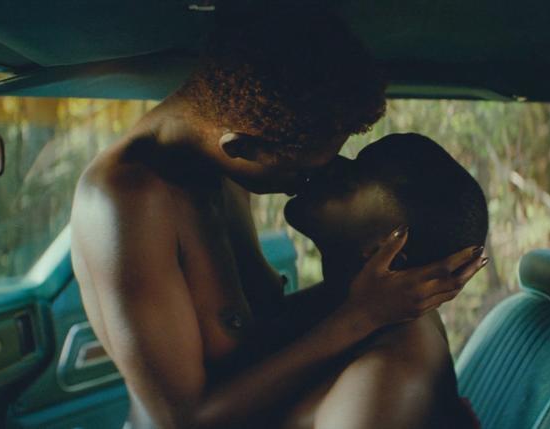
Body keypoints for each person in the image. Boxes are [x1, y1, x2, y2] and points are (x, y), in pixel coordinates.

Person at [69, 10, 486, 429]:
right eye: (302, 171)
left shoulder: (226, 172)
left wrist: (386, 293)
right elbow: (180, 422)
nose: (314, 181)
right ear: (241, 148)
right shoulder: (127, 199)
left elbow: (255, 332)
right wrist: (359, 317)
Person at [276, 133, 488, 429]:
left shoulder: (381, 382)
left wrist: (358, 319)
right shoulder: (354, 305)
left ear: (389, 257)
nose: (331, 163)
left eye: (348, 183)